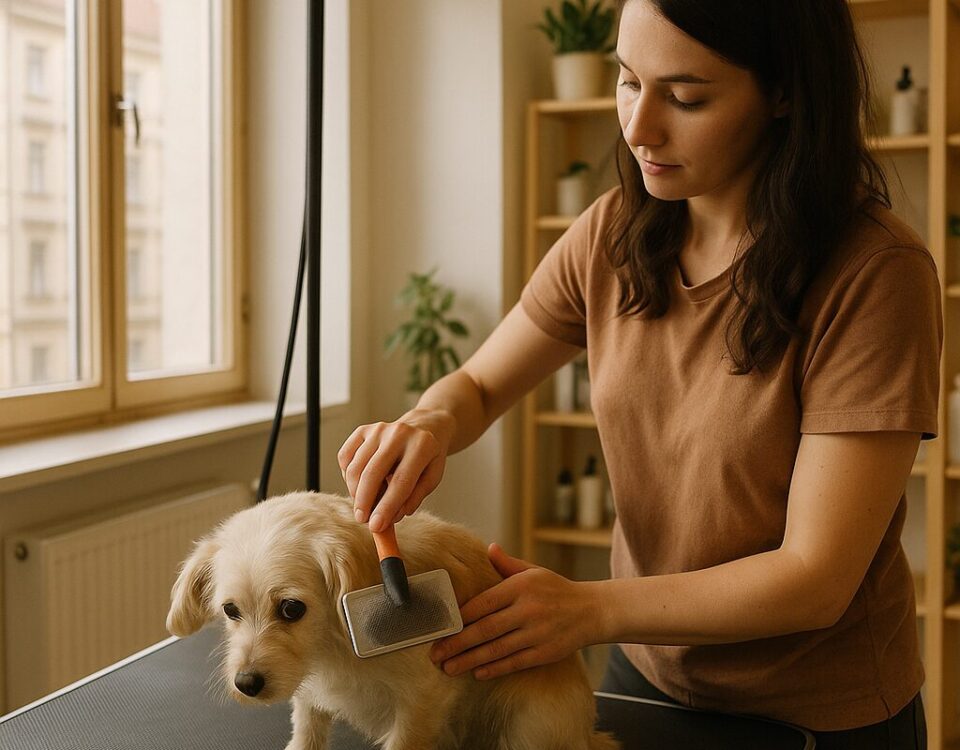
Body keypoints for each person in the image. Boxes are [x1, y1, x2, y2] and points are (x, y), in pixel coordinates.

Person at [337, 1, 940, 747]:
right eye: (627, 81)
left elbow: (815, 578)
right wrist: (428, 422)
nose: (639, 127)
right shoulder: (612, 231)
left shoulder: (875, 274)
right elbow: (482, 386)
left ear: (784, 93)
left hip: (813, 713)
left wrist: (589, 610)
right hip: (645, 673)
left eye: (686, 98)